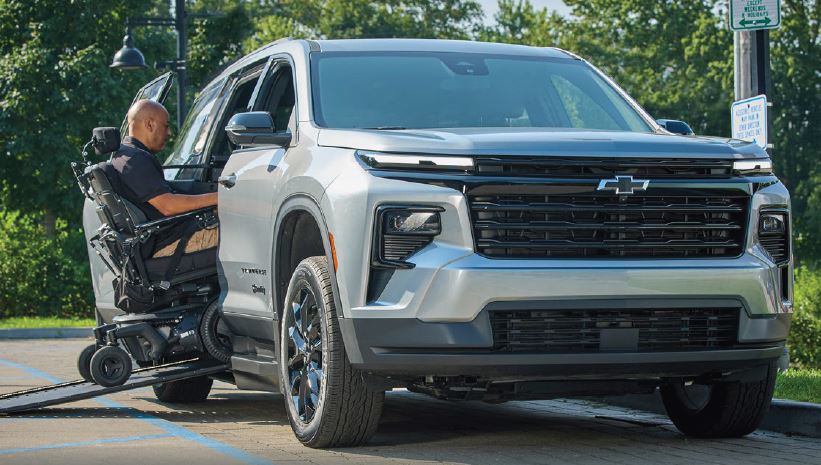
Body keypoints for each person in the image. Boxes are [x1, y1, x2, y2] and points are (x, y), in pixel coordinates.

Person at [110, 99, 218, 258]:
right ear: (149, 125)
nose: (169, 133)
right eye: (166, 126)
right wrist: (221, 197)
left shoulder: (125, 155)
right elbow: (169, 206)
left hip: (162, 238)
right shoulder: (135, 160)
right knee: (245, 229)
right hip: (169, 243)